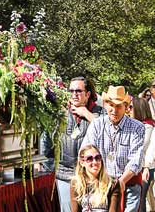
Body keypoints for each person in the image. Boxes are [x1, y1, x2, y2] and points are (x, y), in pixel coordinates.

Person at [42, 77, 105, 212]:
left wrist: (87, 114)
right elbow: (46, 141)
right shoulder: (60, 113)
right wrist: (51, 168)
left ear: (88, 94)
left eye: (78, 91)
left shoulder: (100, 113)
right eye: (71, 91)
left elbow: (107, 133)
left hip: (92, 177)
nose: (74, 94)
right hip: (65, 176)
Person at [82, 86, 147, 212]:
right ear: (105, 105)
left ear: (126, 107)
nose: (114, 110)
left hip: (128, 183)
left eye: (119, 106)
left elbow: (136, 160)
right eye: (111, 105)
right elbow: (85, 151)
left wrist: (120, 182)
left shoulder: (137, 127)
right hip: (101, 183)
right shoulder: (97, 124)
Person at [72, 146, 123, 212]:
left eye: (97, 158)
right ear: (82, 162)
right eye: (89, 159)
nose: (95, 162)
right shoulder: (76, 183)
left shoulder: (113, 184)